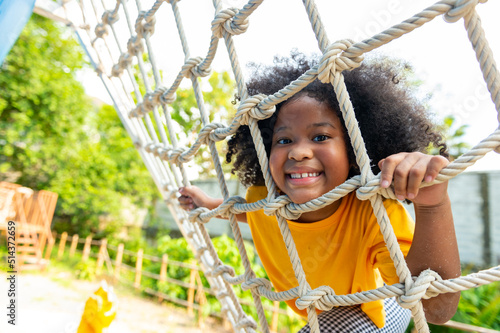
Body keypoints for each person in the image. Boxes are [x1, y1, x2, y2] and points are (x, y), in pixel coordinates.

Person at [178, 52, 461, 332]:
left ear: (354, 151)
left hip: (372, 306)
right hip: (314, 308)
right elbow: (251, 214)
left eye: (321, 137)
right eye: (284, 139)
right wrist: (209, 205)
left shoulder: (374, 213)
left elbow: (435, 309)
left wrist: (432, 205)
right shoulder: (263, 199)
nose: (299, 152)